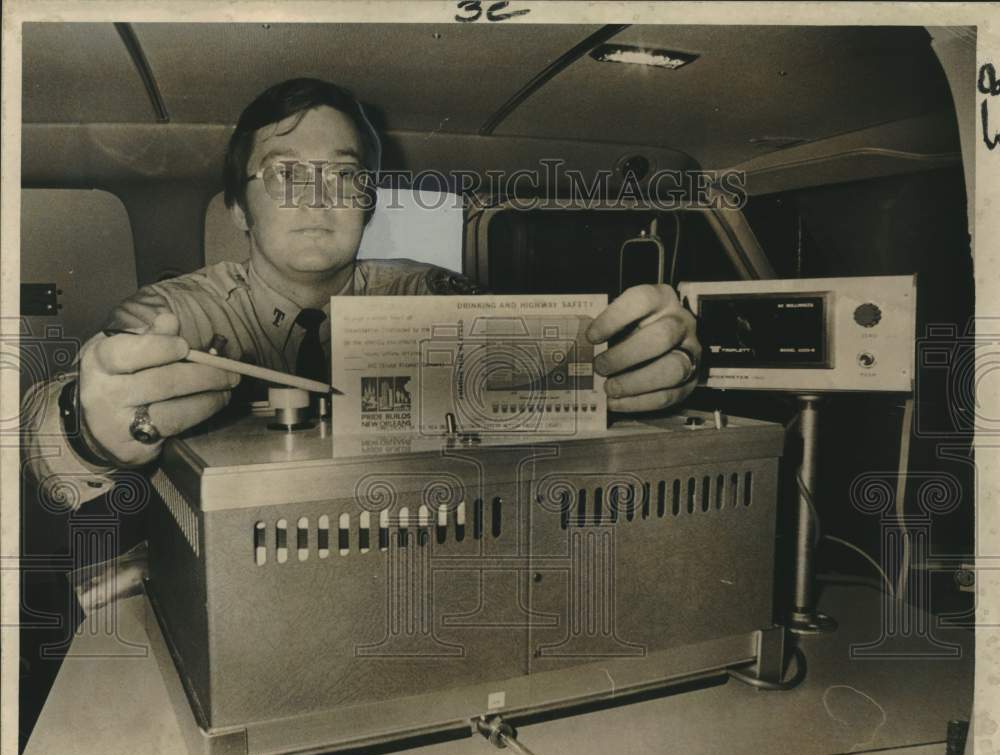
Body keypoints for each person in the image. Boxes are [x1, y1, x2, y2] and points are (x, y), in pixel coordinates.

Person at [23, 77, 701, 511]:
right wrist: (82, 426)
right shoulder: (177, 311)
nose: (318, 200)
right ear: (237, 209)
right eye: (287, 175)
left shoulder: (429, 294)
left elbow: (544, 362)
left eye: (342, 178)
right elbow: (71, 405)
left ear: (368, 203)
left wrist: (630, 363)